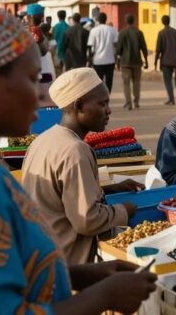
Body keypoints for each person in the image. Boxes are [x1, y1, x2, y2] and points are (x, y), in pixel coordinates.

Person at [0, 4, 156, 313]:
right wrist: (104, 297)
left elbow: (2, 271)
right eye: (32, 79)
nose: (43, 97)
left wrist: (78, 275)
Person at [21, 67, 143, 264]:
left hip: (41, 254)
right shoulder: (74, 150)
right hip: (68, 261)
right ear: (79, 106)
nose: (109, 110)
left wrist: (106, 189)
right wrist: (125, 210)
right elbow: (87, 220)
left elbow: (59, 196)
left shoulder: (43, 140)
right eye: (102, 104)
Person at [114, 13, 148, 110]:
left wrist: (117, 61)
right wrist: (146, 61)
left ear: (126, 21)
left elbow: (118, 49)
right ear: (134, 20)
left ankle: (128, 103)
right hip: (137, 61)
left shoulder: (122, 32)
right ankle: (136, 102)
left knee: (126, 83)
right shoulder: (139, 32)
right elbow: (144, 48)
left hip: (125, 63)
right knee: (136, 82)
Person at [155, 15, 176, 105]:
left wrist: (155, 62)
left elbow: (158, 49)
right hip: (175, 60)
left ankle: (171, 99)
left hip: (166, 61)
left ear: (162, 22)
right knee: (174, 76)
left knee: (167, 80)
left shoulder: (161, 33)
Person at [86, 12, 118, 92]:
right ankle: (108, 96)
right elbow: (116, 45)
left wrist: (89, 59)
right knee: (109, 80)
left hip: (97, 60)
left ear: (97, 20)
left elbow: (90, 46)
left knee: (98, 81)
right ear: (106, 19)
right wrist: (116, 57)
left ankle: (100, 97)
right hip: (110, 60)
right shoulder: (112, 30)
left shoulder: (94, 31)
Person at [53, 9, 69, 76]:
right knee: (65, 70)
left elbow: (54, 38)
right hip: (66, 50)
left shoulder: (55, 26)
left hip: (57, 49)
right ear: (65, 16)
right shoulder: (68, 27)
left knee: (58, 70)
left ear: (58, 16)